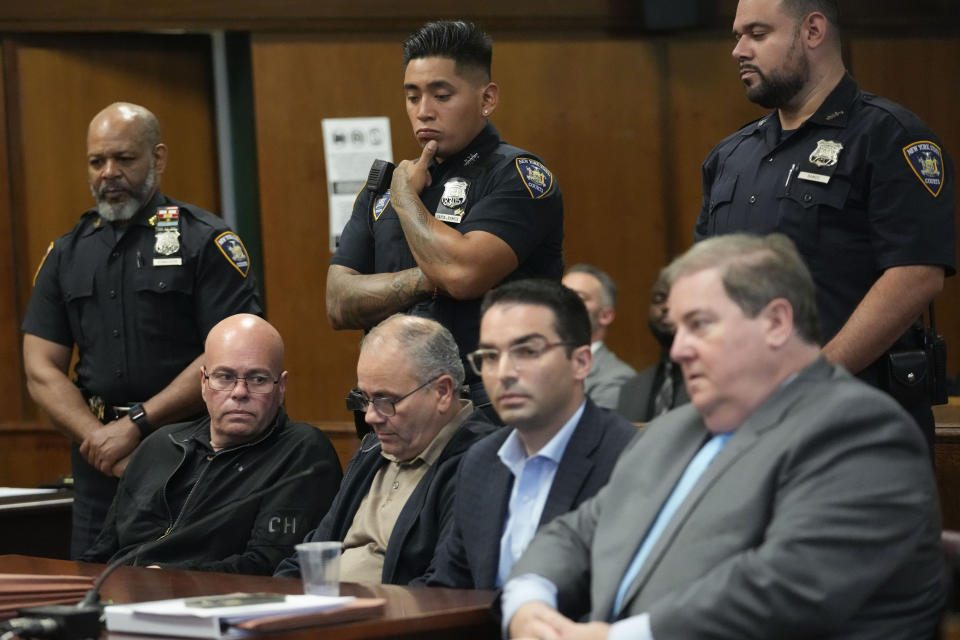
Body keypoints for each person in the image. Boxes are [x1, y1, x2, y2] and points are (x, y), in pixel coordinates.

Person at [503, 234, 945, 639]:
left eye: (699, 324)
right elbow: (575, 533)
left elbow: (787, 588)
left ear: (775, 321)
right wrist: (528, 602)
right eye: (677, 330)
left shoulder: (860, 432)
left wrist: (618, 637)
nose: (677, 350)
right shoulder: (672, 430)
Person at [695, 0, 955, 447]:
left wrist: (810, 380)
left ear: (812, 31)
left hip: (857, 424)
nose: (738, 50)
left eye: (757, 34)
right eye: (737, 36)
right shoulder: (730, 156)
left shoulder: (890, 136)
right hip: (746, 423)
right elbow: (703, 284)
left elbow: (916, 274)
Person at [22, 102, 262, 557]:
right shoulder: (66, 253)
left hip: (188, 458)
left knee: (182, 596)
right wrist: (98, 437)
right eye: (97, 161)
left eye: (124, 159)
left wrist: (136, 424)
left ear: (158, 158)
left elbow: (230, 357)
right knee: (92, 601)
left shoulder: (204, 241)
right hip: (99, 466)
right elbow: (40, 367)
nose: (109, 172)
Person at [326, 20, 564, 413]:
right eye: (412, 96)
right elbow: (338, 301)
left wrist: (405, 200)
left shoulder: (517, 176)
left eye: (441, 95)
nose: (424, 112)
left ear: (486, 99)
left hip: (487, 410)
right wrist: (428, 278)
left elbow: (463, 275)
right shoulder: (383, 187)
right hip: (391, 414)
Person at [81, 315, 342, 575]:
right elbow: (103, 551)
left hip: (216, 604)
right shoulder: (160, 444)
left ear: (281, 386)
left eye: (258, 379)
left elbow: (270, 566)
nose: (240, 392)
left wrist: (170, 578)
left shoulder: (302, 452)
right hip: (122, 594)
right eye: (225, 377)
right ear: (204, 383)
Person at [419, 279, 636, 590]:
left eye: (527, 351)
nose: (505, 373)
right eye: (491, 356)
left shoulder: (626, 459)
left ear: (581, 362)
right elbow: (450, 589)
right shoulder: (480, 461)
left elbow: (623, 601)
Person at [274, 314, 496, 584]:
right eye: (364, 399)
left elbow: (446, 587)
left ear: (442, 392)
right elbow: (316, 550)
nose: (370, 416)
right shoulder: (373, 449)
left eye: (385, 400)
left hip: (390, 621)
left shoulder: (483, 461)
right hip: (323, 614)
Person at [561, 265, 637, 410]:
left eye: (577, 298)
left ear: (605, 315)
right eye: (560, 295)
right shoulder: (540, 363)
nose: (562, 305)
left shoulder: (617, 377)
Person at [617, 270, 689, 422]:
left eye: (676, 298)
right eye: (658, 299)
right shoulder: (630, 389)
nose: (665, 307)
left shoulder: (715, 382)